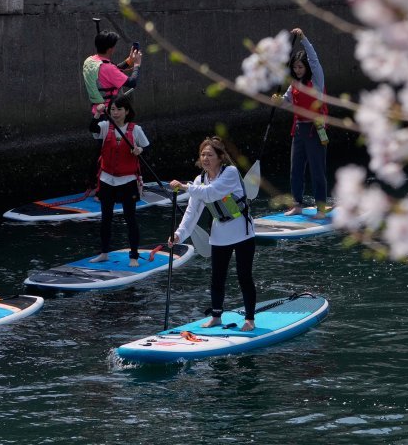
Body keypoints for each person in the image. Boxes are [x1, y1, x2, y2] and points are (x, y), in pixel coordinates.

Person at [168, 137, 257, 331]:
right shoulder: (200, 181)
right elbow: (192, 214)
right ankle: (216, 316)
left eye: (210, 154)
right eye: (203, 154)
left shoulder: (230, 173)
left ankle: (250, 319)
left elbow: (211, 193)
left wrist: (185, 187)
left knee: (244, 276)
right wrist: (178, 235)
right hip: (220, 233)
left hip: (242, 232)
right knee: (217, 277)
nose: (205, 158)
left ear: (220, 158)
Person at [274, 27, 329, 219]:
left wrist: (304, 39)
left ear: (306, 67)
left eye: (300, 67)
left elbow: (314, 59)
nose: (297, 70)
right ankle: (297, 204)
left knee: (317, 170)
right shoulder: (294, 85)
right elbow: (287, 102)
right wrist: (278, 101)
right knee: (295, 169)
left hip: (316, 130)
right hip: (298, 129)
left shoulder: (317, 80)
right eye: (295, 67)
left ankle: (321, 209)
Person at [88, 94, 148, 267]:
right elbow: (92, 128)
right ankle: (104, 252)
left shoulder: (135, 130)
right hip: (107, 180)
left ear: (127, 111)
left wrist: (139, 150)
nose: (115, 113)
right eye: (112, 109)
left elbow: (147, 149)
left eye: (119, 109)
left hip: (128, 181)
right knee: (106, 218)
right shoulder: (106, 126)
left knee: (130, 219)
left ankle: (134, 256)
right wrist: (98, 114)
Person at [82, 30, 142, 114]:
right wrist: (137, 64)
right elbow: (132, 83)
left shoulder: (90, 61)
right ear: (110, 49)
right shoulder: (108, 68)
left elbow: (113, 70)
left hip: (96, 111)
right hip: (110, 113)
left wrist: (129, 60)